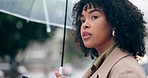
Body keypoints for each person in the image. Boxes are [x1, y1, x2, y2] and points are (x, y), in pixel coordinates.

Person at [55, 0, 147, 78]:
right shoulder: (99, 65)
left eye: (94, 17)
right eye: (83, 20)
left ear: (114, 23)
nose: (85, 25)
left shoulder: (125, 71)